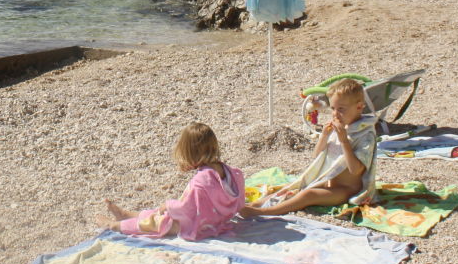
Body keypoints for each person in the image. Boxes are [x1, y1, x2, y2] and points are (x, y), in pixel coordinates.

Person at [239, 77, 378, 217]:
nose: (335, 114)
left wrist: (344, 141)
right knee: (294, 187)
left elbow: (355, 170)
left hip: (348, 189)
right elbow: (317, 156)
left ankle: (264, 212)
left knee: (308, 194)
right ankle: (255, 204)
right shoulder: (342, 128)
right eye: (333, 108)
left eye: (341, 109)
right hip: (329, 181)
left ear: (359, 106)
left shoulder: (365, 135)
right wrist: (324, 136)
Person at [97, 122, 244, 241]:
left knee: (159, 221)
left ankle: (114, 225)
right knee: (160, 212)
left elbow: (185, 208)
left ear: (189, 152)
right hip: (215, 221)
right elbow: (239, 202)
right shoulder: (231, 172)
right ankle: (127, 214)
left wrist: (168, 205)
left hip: (197, 225)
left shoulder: (201, 180)